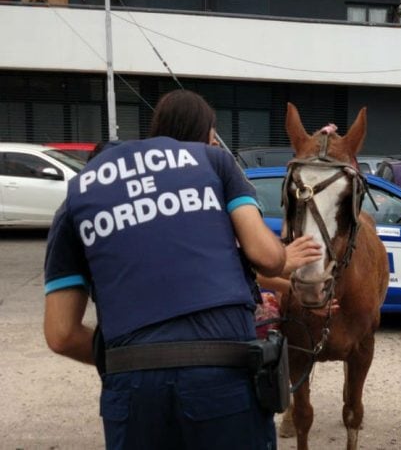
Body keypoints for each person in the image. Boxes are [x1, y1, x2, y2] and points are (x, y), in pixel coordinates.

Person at [43, 89, 287, 449]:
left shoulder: (77, 195)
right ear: (209, 135)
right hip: (222, 376)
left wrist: (130, 357)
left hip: (132, 386)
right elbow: (267, 256)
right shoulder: (213, 161)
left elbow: (60, 333)